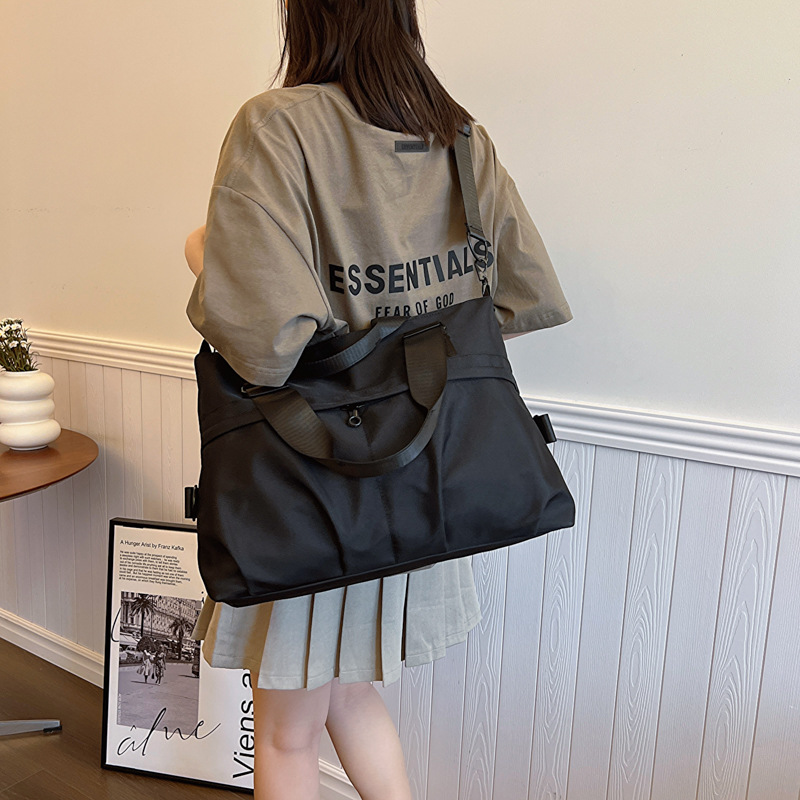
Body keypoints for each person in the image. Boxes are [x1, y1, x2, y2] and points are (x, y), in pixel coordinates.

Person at [183, 2, 572, 798]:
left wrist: (202, 251)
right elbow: (519, 296)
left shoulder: (277, 125)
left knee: (287, 734)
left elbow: (267, 338)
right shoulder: (457, 135)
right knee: (351, 698)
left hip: (314, 486)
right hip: (425, 487)